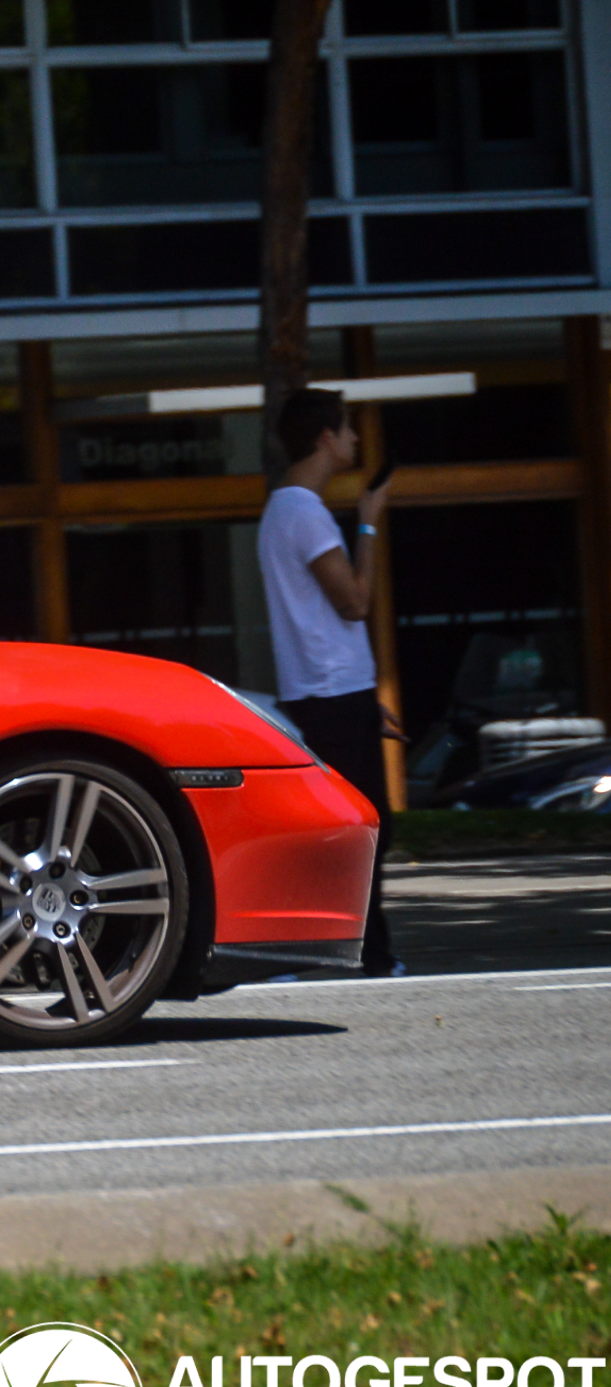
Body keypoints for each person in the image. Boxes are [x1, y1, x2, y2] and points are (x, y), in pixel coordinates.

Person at [257, 386, 399, 976]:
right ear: (325, 437)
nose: (356, 440)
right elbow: (355, 603)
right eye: (347, 429)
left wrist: (369, 704)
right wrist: (367, 525)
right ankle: (359, 954)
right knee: (362, 830)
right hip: (333, 694)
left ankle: (355, 953)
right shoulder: (304, 511)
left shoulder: (280, 510)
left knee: (352, 829)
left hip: (330, 694)